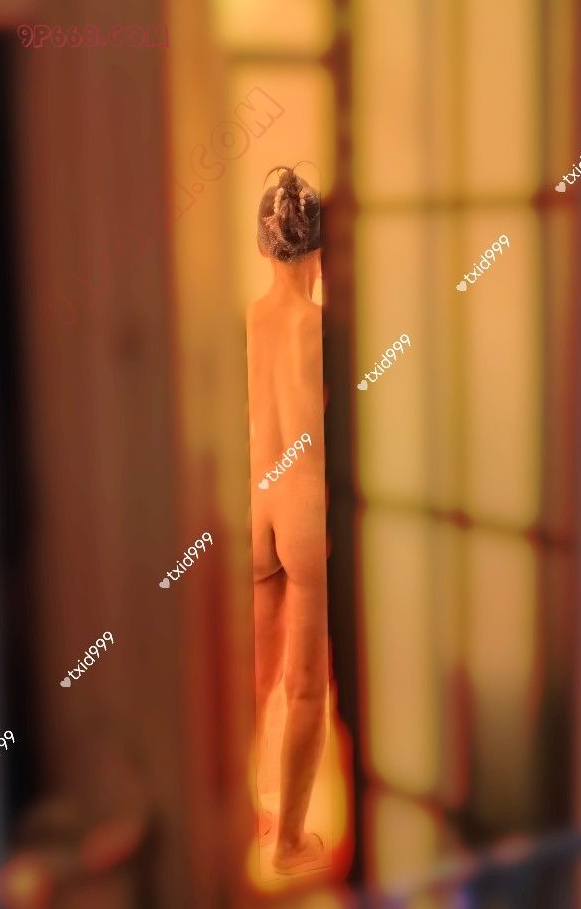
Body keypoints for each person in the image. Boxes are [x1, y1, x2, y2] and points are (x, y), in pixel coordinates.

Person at [246, 165, 328, 874]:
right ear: (319, 248)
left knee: (254, 678)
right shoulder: (320, 328)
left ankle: (240, 816)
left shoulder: (245, 320)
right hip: (303, 506)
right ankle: (289, 843)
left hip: (254, 504)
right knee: (304, 685)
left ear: (263, 244)